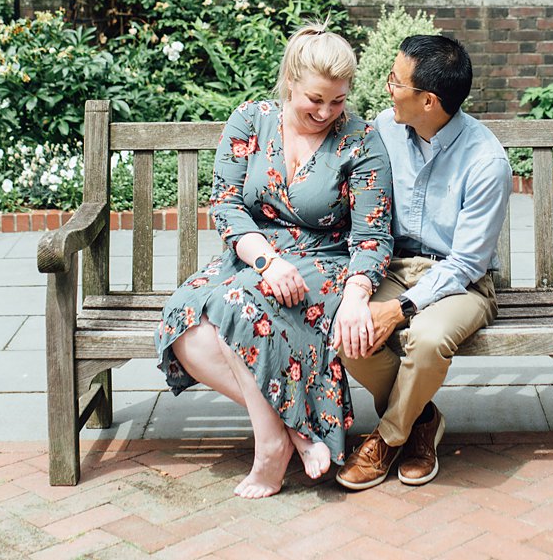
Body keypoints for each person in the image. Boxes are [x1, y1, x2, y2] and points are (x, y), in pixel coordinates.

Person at [154, 25, 394, 498]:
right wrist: (265, 259)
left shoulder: (361, 139)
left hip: (322, 262)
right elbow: (224, 204)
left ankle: (269, 449)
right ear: (290, 82)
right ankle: (296, 432)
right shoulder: (250, 119)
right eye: (315, 99)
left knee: (238, 303)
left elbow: (373, 233)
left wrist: (357, 293)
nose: (326, 113)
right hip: (253, 254)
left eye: (338, 101)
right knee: (184, 325)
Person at [335, 34, 511, 490]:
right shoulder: (383, 129)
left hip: (462, 283)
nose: (386, 86)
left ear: (428, 100)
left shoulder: (486, 160)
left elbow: (467, 264)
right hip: (392, 267)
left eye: (396, 81)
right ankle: (422, 419)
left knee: (428, 340)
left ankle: (390, 438)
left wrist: (401, 309)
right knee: (350, 330)